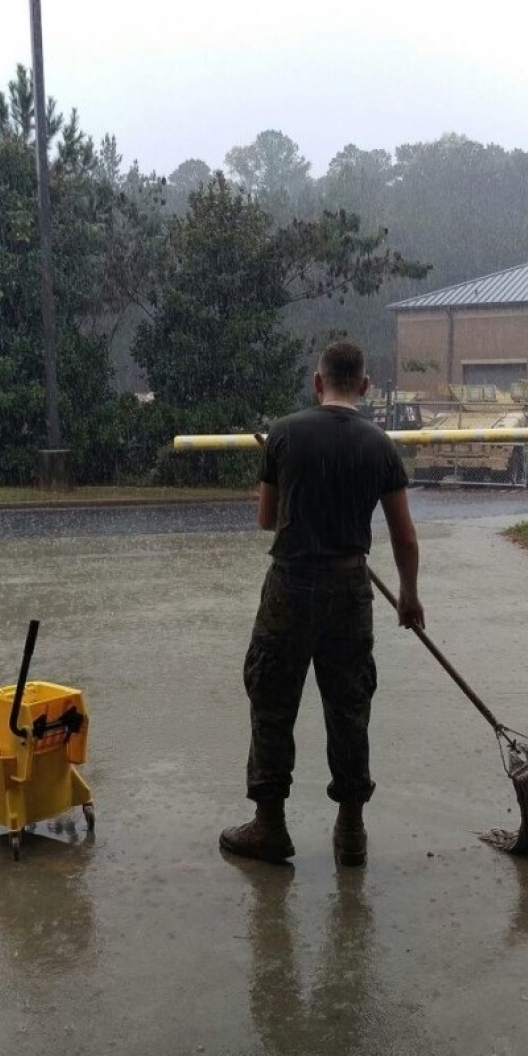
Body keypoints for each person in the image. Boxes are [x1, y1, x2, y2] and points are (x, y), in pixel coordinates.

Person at [220, 340, 424, 868]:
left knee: (272, 701)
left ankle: (270, 827)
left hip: (290, 587)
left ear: (317, 383)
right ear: (362, 385)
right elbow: (404, 536)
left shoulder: (284, 434)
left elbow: (267, 520)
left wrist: (294, 491)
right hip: (349, 591)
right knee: (349, 707)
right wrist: (408, 595)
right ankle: (351, 831)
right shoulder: (379, 444)